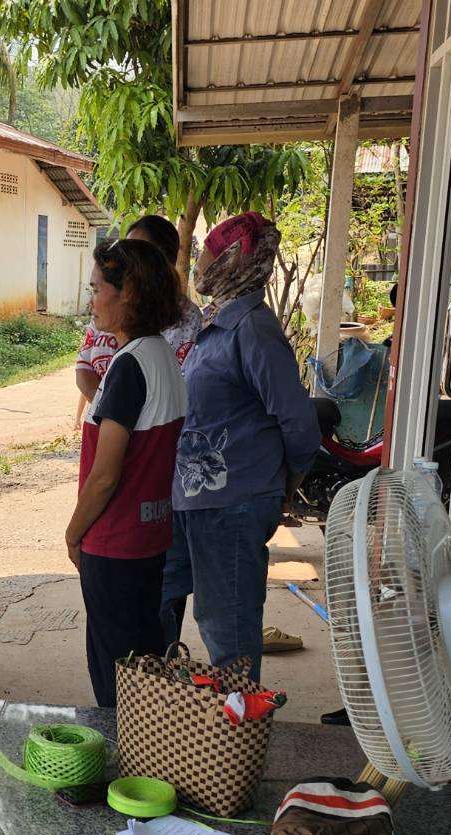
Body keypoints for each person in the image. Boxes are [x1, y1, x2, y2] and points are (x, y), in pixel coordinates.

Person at [160, 212, 319, 681]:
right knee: (159, 598)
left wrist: (286, 483)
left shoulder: (251, 328)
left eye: (208, 255)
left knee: (226, 628)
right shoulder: (215, 323)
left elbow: (297, 419)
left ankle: (236, 736)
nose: (199, 266)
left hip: (232, 503)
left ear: (234, 260)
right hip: (190, 499)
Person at [64, 239, 186, 706]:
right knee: (143, 664)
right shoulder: (162, 357)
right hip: (150, 535)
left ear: (128, 293)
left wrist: (74, 533)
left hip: (115, 542)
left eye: (97, 289)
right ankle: (149, 756)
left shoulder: (130, 366)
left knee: (116, 675)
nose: (91, 300)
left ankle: (127, 768)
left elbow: (104, 476)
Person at [72, 215, 202, 424]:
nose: (128, 261)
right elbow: (84, 369)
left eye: (140, 252)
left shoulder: (180, 323)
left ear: (162, 263)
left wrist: (117, 422)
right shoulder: (107, 311)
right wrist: (110, 417)